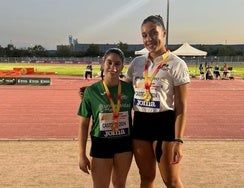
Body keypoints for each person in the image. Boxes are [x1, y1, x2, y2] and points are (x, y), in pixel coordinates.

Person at [124, 15, 190, 188]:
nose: (149, 39)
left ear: (164, 33)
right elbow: (120, 88)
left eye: (154, 33)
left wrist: (178, 140)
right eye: (144, 35)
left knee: (172, 181)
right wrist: (94, 90)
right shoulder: (137, 63)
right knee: (146, 178)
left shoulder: (177, 64)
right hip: (140, 124)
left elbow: (182, 107)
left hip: (164, 124)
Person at [77, 48, 134, 188]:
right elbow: (84, 124)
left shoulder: (129, 89)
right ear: (103, 64)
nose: (113, 68)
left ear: (122, 67)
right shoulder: (91, 91)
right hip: (101, 143)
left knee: (120, 185)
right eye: (109, 63)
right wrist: (81, 155)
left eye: (117, 64)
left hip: (124, 143)